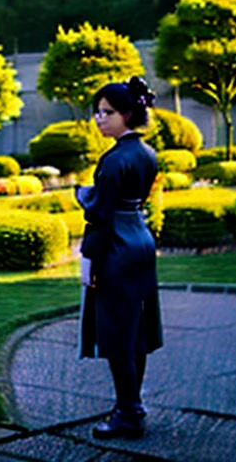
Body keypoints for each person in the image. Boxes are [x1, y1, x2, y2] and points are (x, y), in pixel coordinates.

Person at [76, 76, 163, 440]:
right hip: (141, 240)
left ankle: (129, 413)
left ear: (128, 114)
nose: (99, 119)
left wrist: (89, 263)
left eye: (107, 112)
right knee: (136, 332)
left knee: (116, 334)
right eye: (97, 112)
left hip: (117, 248)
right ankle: (131, 405)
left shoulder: (112, 162)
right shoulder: (147, 154)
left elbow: (101, 218)